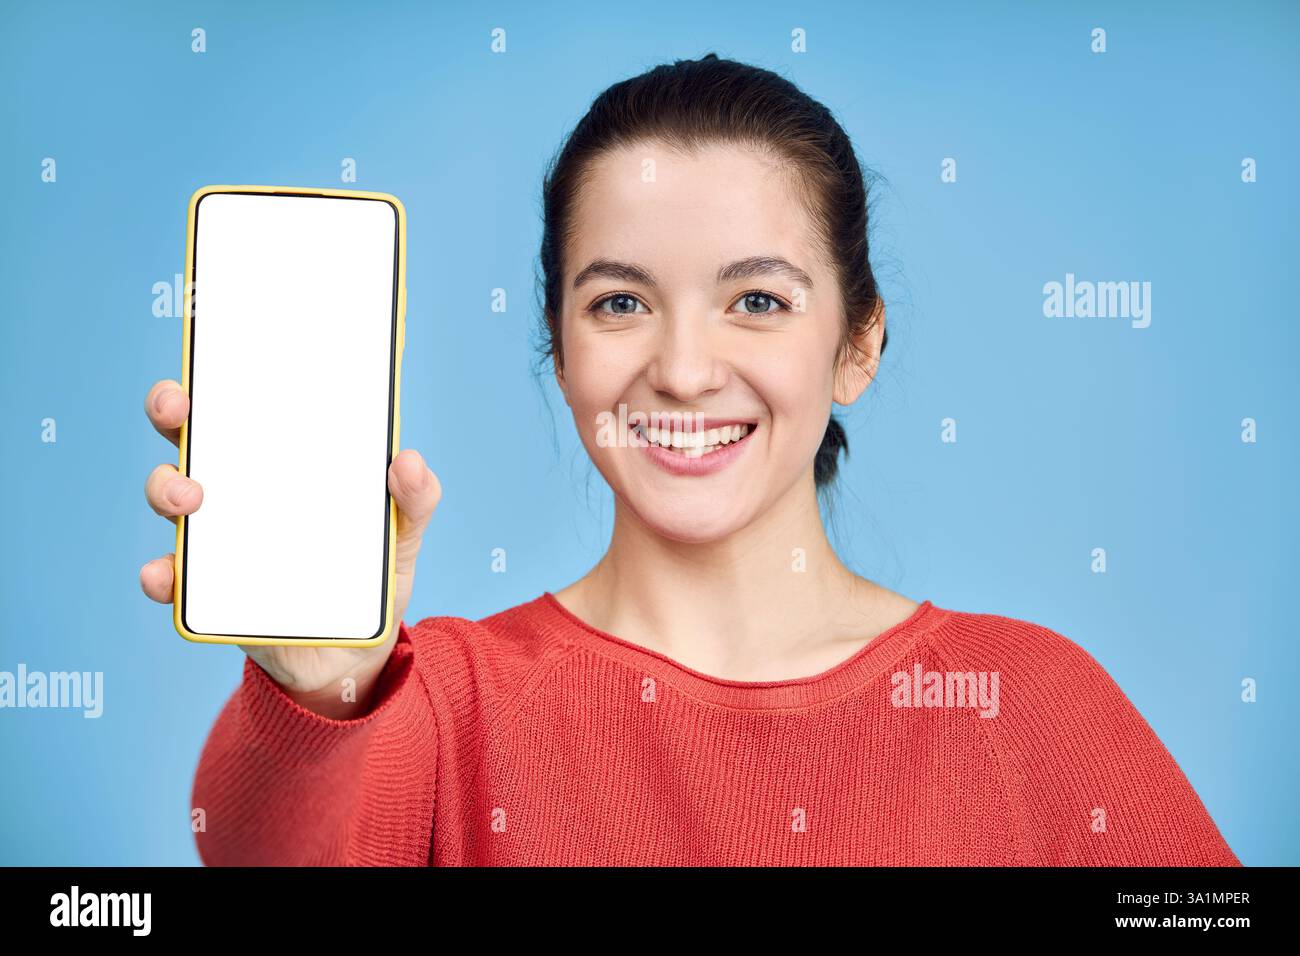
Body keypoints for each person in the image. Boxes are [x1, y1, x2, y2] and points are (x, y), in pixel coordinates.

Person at [140, 54, 1239, 866]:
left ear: (858, 344)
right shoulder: (438, 711)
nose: (680, 368)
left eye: (755, 300)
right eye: (619, 302)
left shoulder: (1032, 705)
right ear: (558, 347)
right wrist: (319, 686)